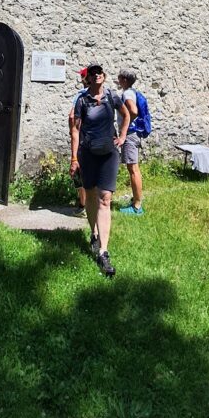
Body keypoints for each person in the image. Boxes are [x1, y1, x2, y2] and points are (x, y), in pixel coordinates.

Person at [70, 63, 130, 277]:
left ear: (104, 77)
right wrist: (74, 158)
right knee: (92, 195)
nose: (97, 75)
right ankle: (94, 232)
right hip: (88, 153)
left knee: (105, 198)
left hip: (109, 153)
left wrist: (122, 137)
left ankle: (103, 252)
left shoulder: (112, 97)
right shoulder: (82, 101)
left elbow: (126, 114)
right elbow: (75, 130)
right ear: (88, 79)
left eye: (100, 73)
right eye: (93, 73)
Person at [117, 69, 144, 215]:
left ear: (125, 80)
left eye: (120, 78)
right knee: (133, 168)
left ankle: (137, 207)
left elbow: (133, 111)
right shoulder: (131, 92)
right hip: (133, 134)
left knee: (133, 169)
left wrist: (125, 127)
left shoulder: (127, 93)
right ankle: (136, 201)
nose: (118, 79)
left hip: (130, 135)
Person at [68, 68, 88, 215]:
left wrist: (73, 130)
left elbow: (72, 116)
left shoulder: (81, 96)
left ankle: (83, 206)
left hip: (81, 141)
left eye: (81, 77)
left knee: (80, 174)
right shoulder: (103, 95)